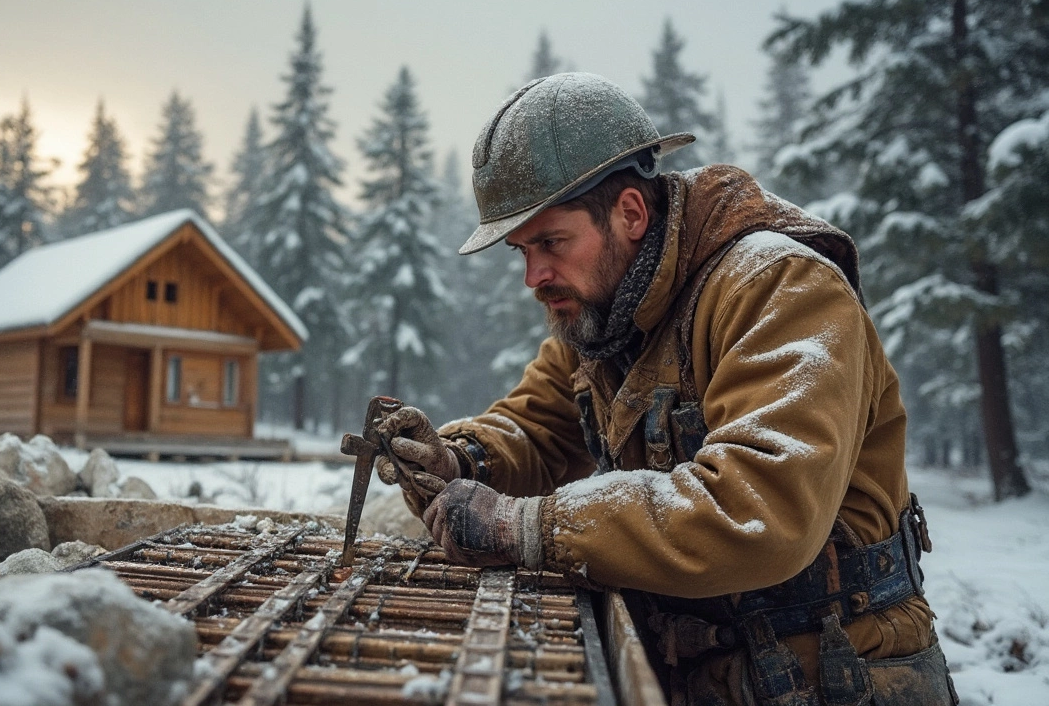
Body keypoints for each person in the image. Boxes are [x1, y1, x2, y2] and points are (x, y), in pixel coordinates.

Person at [371, 73, 957, 705]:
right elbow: (536, 428)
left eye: (551, 242)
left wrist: (529, 526)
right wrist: (457, 458)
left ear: (630, 212)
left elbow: (762, 507)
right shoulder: (604, 320)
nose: (533, 275)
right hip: (696, 670)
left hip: (835, 675)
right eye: (521, 250)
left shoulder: (781, 288)